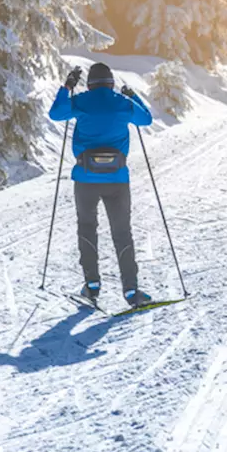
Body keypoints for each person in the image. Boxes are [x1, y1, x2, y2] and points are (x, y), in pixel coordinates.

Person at [48, 62, 155, 308]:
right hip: (118, 180)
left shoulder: (82, 101)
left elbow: (55, 114)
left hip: (85, 179)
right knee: (122, 232)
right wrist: (132, 95)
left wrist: (67, 87)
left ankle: (92, 286)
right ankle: (131, 291)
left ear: (89, 84)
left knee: (87, 228)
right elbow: (146, 119)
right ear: (111, 83)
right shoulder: (122, 103)